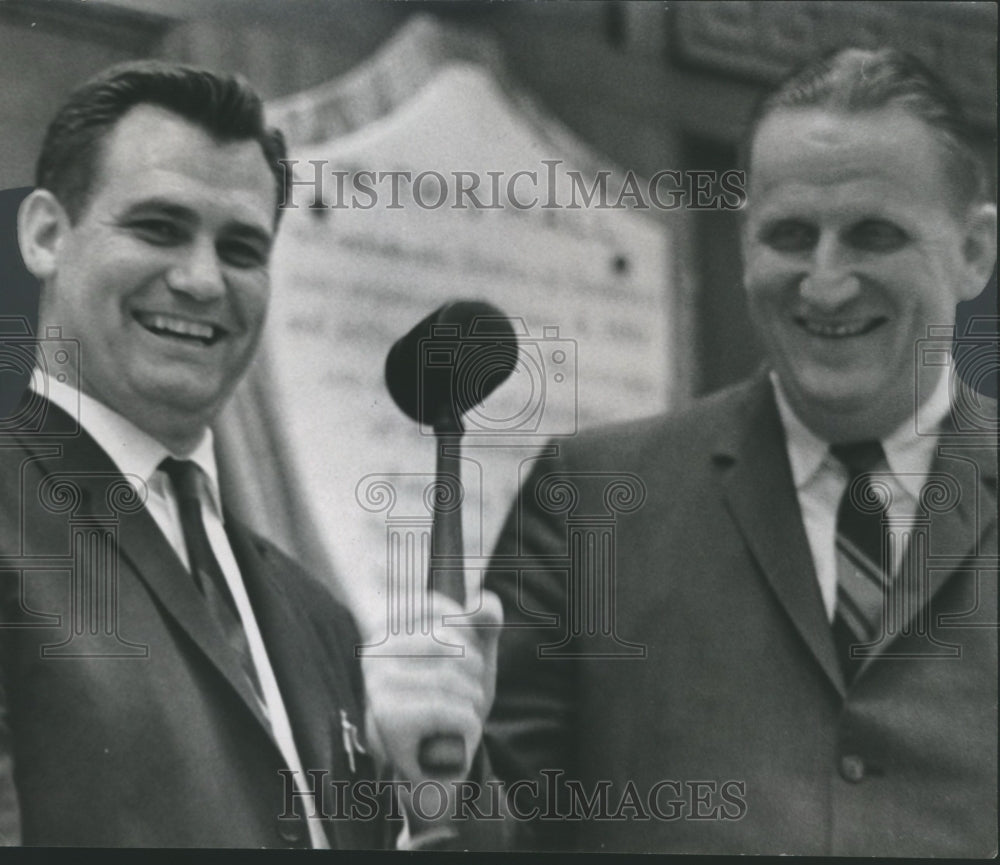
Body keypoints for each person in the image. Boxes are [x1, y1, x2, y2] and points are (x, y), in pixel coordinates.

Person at [481, 47, 997, 855]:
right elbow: (499, 829)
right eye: (790, 235)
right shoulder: (588, 503)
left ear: (974, 252)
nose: (826, 284)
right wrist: (434, 779)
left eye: (874, 234)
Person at [0, 60, 393, 848]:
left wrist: (438, 798)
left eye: (242, 248)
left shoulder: (319, 619)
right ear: (45, 233)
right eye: (158, 228)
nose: (203, 280)